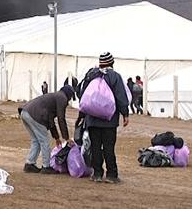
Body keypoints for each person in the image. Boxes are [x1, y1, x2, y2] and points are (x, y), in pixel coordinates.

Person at [78, 52, 129, 183]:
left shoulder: (91, 75)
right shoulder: (114, 77)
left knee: (95, 147)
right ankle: (112, 175)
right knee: (108, 147)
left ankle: (97, 174)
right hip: (109, 120)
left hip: (92, 120)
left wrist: (82, 115)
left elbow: (84, 96)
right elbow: (120, 96)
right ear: (112, 63)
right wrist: (125, 114)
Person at [20, 85, 76, 174]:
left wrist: (57, 137)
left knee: (36, 140)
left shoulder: (55, 96)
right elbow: (61, 119)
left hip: (25, 112)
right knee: (45, 140)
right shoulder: (62, 98)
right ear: (69, 95)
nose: (69, 101)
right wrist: (66, 138)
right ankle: (46, 167)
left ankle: (29, 164)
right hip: (35, 115)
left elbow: (51, 120)